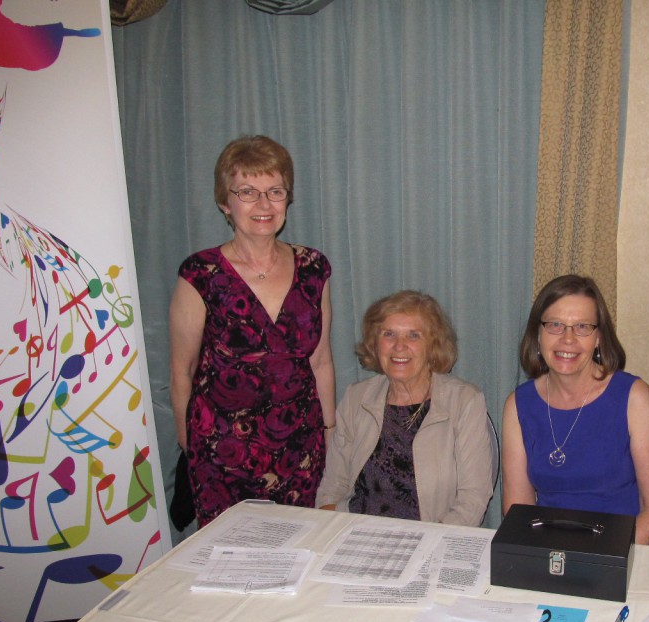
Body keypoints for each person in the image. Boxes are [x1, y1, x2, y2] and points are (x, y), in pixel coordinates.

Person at [169, 136, 334, 527]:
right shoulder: (201, 274)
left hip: (300, 448)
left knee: (297, 553)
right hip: (222, 452)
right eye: (247, 192)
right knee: (228, 563)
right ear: (226, 203)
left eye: (274, 191)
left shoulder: (314, 268)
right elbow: (182, 369)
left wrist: (330, 434)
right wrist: (188, 443)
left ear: (287, 200)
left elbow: (321, 359)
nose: (263, 204)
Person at [502, 275, 649, 546]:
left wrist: (598, 562)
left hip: (631, 548)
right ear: (538, 334)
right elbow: (518, 511)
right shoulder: (518, 405)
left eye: (582, 326)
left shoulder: (632, 397)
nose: (567, 339)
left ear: (598, 338)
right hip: (555, 553)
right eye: (555, 325)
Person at [315, 291, 494, 525]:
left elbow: (473, 499)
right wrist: (327, 528)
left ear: (433, 344)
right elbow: (333, 485)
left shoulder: (465, 401)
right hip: (357, 532)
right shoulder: (355, 398)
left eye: (413, 335)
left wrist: (430, 547)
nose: (399, 346)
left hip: (430, 536)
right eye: (388, 334)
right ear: (375, 343)